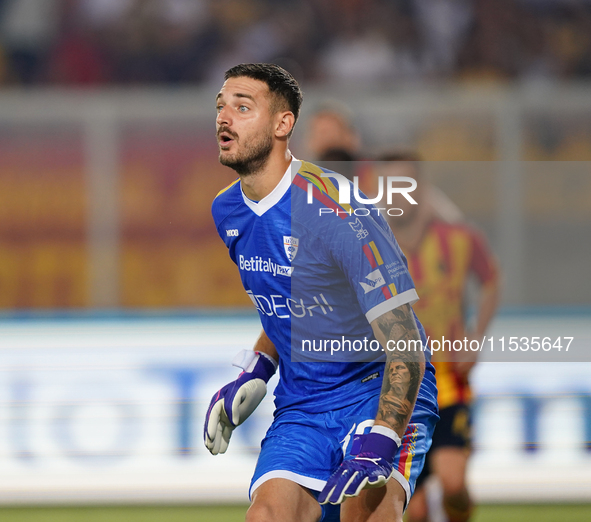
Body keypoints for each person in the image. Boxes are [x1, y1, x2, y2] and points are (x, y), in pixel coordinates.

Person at [203, 63, 438, 522]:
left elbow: (406, 344)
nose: (224, 118)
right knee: (265, 517)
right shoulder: (227, 210)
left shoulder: (339, 210)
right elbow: (292, 305)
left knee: (364, 516)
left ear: (282, 124)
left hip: (378, 388)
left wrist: (386, 434)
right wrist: (256, 370)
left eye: (242, 106)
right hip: (305, 402)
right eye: (220, 106)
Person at [377, 153, 500, 522]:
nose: (397, 196)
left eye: (405, 186)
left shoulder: (458, 239)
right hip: (395, 389)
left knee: (454, 484)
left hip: (447, 382)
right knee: (409, 509)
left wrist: (475, 335)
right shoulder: (370, 246)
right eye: (390, 187)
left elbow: (492, 279)